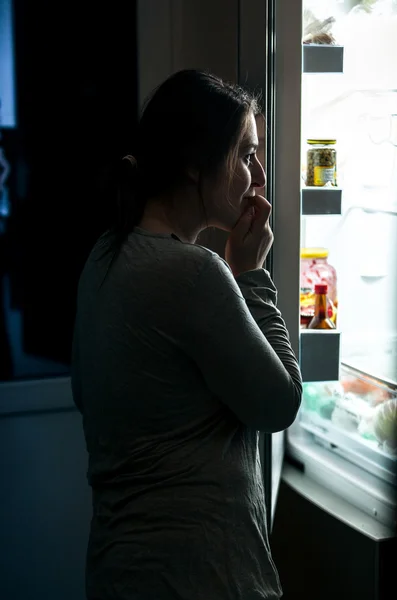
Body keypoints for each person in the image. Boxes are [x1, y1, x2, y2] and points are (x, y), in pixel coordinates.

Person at [71, 69, 302, 600]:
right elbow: (279, 404)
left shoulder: (105, 254)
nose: (259, 176)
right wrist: (250, 274)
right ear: (197, 163)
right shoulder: (196, 273)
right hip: (200, 575)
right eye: (246, 155)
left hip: (119, 568)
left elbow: (86, 391)